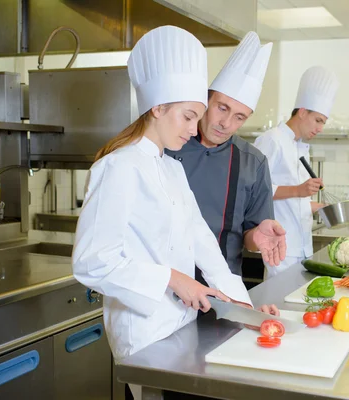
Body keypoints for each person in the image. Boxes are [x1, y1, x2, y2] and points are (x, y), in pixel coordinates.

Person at [72, 26, 279, 368]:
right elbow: (91, 262)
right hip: (143, 336)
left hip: (182, 327)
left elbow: (204, 245)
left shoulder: (172, 168)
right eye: (188, 116)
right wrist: (173, 278)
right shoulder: (118, 167)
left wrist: (245, 308)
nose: (194, 129)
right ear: (158, 107)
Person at [166, 31, 286, 283]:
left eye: (239, 117)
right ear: (206, 100)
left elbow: (250, 236)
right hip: (164, 281)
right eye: (222, 108)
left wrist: (257, 238)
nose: (226, 123)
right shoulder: (168, 144)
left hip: (221, 285)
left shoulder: (253, 162)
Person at [254, 66, 339, 278]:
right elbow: (255, 190)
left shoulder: (300, 147)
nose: (320, 128)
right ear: (302, 112)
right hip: (280, 248)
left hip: (302, 247)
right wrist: (298, 190)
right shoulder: (271, 140)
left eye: (323, 123)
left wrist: (317, 207)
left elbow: (291, 202)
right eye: (318, 120)